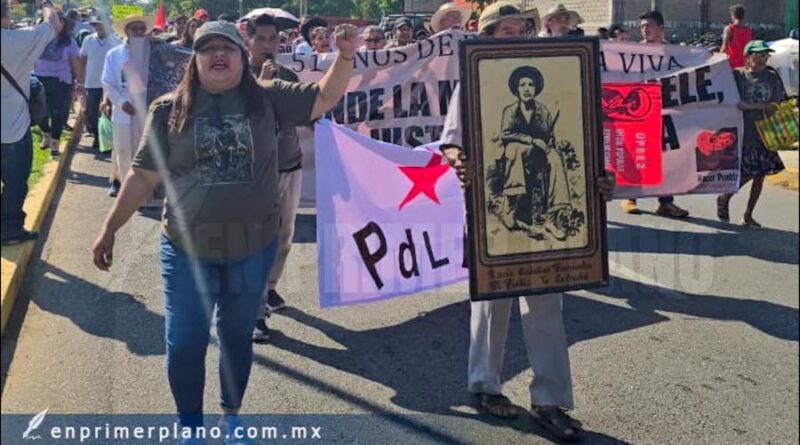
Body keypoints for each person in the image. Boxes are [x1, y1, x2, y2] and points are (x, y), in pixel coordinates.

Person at [92, 19, 358, 445]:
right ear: (193, 60)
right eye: (207, 48)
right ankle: (191, 427)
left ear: (242, 55)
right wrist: (109, 229)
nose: (218, 54)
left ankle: (231, 417)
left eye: (228, 48)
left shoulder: (268, 99)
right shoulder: (168, 109)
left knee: (236, 337)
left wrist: (344, 56)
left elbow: (324, 97)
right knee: (184, 344)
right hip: (186, 249)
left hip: (252, 248)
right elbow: (142, 177)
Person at [438, 2, 615, 441]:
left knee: (546, 301)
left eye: (521, 29)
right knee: (491, 301)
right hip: (494, 198)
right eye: (506, 30)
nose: (515, 36)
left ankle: (549, 399)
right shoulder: (476, 78)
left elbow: (576, 137)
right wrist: (460, 162)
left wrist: (598, 178)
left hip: (541, 177)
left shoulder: (560, 82)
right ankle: (485, 386)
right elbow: (453, 141)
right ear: (489, 35)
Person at [245, 13, 306, 340]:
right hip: (258, 172)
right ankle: (254, 315)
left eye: (274, 39)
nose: (269, 45)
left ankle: (269, 289)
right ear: (249, 41)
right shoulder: (240, 76)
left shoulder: (288, 74)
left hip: (290, 163)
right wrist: (262, 83)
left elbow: (299, 111)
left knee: (285, 236)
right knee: (259, 242)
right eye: (262, 39)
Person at [1, 0, 61, 246]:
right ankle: (10, 230)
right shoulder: (15, 41)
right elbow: (53, 23)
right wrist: (44, 3)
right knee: (15, 182)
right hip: (11, 129)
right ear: (6, 16)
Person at [619, 10, 690, 218]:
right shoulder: (632, 52)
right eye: (642, 26)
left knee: (665, 157)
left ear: (661, 27)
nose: (645, 30)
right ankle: (630, 197)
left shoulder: (674, 53)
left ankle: (666, 202)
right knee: (638, 153)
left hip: (665, 111)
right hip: (639, 111)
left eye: (649, 25)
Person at [717, 41, 786, 228]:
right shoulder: (738, 75)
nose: (763, 58)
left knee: (760, 175)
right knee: (748, 171)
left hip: (766, 132)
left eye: (766, 55)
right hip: (744, 131)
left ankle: (748, 215)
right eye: (759, 55)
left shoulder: (771, 77)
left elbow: (775, 105)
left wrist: (751, 106)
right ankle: (725, 197)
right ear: (748, 56)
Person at [102, 13, 154, 197]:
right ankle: (125, 188)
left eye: (142, 28)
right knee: (123, 150)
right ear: (126, 31)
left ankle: (145, 188)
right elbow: (108, 82)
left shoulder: (153, 51)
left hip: (148, 111)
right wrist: (122, 103)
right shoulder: (114, 54)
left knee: (145, 151)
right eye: (135, 29)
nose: (139, 32)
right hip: (124, 111)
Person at [34, 10, 83, 156]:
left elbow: (76, 63)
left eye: (59, 21)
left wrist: (80, 82)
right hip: (39, 78)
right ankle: (46, 133)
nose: (55, 24)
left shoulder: (69, 41)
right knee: (39, 111)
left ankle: (55, 141)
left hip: (61, 81)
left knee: (58, 113)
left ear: (63, 24)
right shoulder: (37, 39)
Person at [80, 15, 121, 150]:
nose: (100, 27)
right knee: (92, 112)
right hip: (92, 82)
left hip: (110, 83)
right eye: (97, 24)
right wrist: (80, 79)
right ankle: (98, 137)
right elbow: (83, 59)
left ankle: (108, 140)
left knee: (109, 111)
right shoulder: (88, 40)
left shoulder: (116, 41)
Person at [720, 4, 752, 69]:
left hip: (732, 66)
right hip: (745, 66)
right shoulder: (749, 30)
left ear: (733, 15)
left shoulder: (729, 29)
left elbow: (724, 48)